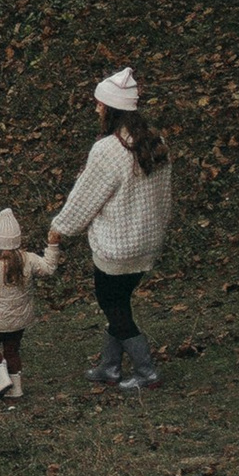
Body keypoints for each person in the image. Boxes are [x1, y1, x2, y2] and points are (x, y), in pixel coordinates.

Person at [48, 65, 174, 391]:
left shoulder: (108, 150)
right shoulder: (156, 143)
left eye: (99, 104)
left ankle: (146, 372)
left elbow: (85, 198)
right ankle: (110, 366)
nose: (96, 108)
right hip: (146, 242)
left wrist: (59, 228)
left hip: (117, 247)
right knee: (120, 302)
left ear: (112, 109)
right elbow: (163, 198)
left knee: (113, 306)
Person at [0, 205, 59, 401]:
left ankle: (1, 379)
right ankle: (16, 388)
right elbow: (49, 268)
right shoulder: (29, 260)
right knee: (12, 349)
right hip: (20, 320)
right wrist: (53, 246)